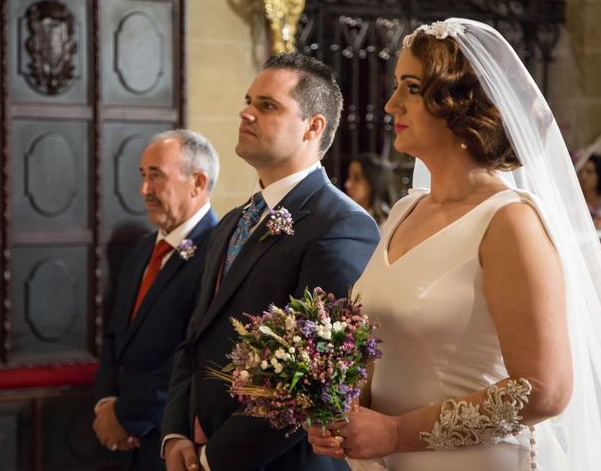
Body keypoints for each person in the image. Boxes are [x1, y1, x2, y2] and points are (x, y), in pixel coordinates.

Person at [308, 18, 601, 470]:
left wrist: (396, 431)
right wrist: (341, 409)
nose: (391, 103)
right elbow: (383, 345)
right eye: (396, 85)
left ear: (461, 104)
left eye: (411, 89)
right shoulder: (404, 211)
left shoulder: (508, 221)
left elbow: (545, 389)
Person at [161, 52, 380, 471]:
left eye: (267, 106)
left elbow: (313, 378)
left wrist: (213, 459)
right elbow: (196, 338)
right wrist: (175, 436)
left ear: (313, 127)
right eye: (248, 101)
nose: (245, 113)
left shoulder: (341, 224)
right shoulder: (232, 222)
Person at [93, 130, 220, 471]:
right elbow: (113, 336)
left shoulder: (220, 253)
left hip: (173, 441)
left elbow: (197, 356)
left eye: (156, 176)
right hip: (126, 443)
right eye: (143, 176)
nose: (144, 190)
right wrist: (106, 405)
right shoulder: (140, 250)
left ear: (197, 182)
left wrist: (126, 417)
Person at [344, 153, 395, 226]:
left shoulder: (387, 223)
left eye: (357, 178)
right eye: (349, 176)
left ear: (373, 182)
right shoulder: (346, 216)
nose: (347, 184)